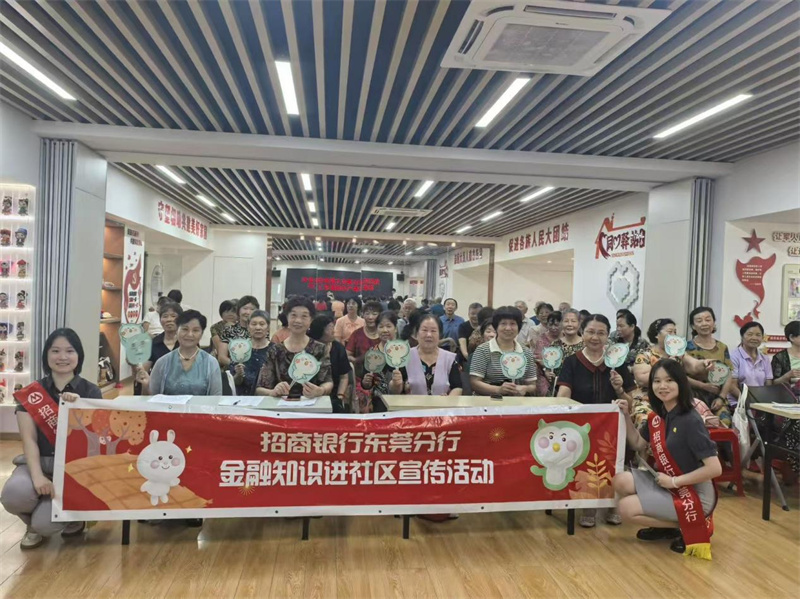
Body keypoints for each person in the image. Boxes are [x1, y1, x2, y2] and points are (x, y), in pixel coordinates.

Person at [0, 328, 99, 549]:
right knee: (13, 496)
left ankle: (69, 518)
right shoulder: (31, 393)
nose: (62, 357)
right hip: (38, 462)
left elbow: (94, 442)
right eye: (55, 351)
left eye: (69, 351)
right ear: (46, 355)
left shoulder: (91, 392)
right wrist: (37, 478)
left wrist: (79, 409)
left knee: (45, 525)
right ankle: (33, 524)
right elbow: (29, 440)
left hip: (73, 469)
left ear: (79, 355)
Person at [613, 359, 721, 558]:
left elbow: (715, 469)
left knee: (626, 508)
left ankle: (691, 524)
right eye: (657, 381)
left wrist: (674, 481)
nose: (662, 386)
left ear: (681, 383)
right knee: (620, 480)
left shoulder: (691, 420)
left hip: (694, 493)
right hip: (668, 484)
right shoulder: (659, 414)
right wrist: (626, 415)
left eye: (669, 380)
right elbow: (638, 443)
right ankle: (665, 528)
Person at [557, 314, 635, 528]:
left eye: (601, 333)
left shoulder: (617, 361)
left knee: (617, 462)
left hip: (614, 427)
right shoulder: (572, 362)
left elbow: (631, 401)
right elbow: (564, 393)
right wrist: (560, 406)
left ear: (607, 336)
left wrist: (619, 389)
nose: (595, 337)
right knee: (586, 463)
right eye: (591, 332)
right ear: (582, 333)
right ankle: (588, 505)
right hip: (582, 427)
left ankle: (614, 505)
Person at [256, 297, 333, 399]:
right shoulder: (275, 350)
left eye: (304, 316)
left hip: (311, 404)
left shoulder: (320, 349)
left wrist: (321, 390)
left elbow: (328, 381)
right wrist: (272, 392)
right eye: (293, 315)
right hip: (281, 405)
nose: (298, 320)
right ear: (287, 317)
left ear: (311, 320)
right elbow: (259, 388)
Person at [137, 310, 222, 396]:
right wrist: (145, 385)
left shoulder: (211, 363)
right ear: (177, 331)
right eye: (185, 329)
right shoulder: (163, 362)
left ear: (201, 334)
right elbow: (151, 398)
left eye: (195, 330)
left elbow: (216, 398)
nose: (190, 334)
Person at [470, 306, 537, 397]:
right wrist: (498, 390)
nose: (508, 328)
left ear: (519, 327)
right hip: (488, 401)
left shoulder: (526, 352)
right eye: (503, 324)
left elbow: (532, 385)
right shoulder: (483, 350)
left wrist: (525, 388)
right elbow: (474, 382)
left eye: (512, 324)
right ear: (496, 327)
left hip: (516, 401)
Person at [685, 307, 735, 426]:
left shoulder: (722, 347)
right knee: (698, 424)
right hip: (693, 397)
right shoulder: (685, 347)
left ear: (713, 322)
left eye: (708, 320)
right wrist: (703, 386)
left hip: (717, 397)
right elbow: (679, 375)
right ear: (693, 326)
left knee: (724, 422)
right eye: (699, 321)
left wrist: (721, 398)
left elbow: (728, 374)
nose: (704, 324)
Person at [407, 314, 462, 396]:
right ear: (416, 334)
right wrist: (397, 384)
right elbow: (396, 390)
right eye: (424, 330)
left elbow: (457, 387)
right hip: (411, 404)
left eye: (433, 331)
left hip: (441, 404)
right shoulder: (406, 356)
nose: (429, 335)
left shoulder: (449, 358)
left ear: (440, 335)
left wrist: (449, 400)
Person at [771, 320, 800, 475]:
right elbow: (773, 383)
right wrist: (787, 376)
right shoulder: (780, 357)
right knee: (796, 426)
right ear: (792, 337)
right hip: (788, 400)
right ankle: (794, 466)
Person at [361, 311, 409, 402]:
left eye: (388, 326)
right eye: (381, 327)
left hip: (400, 401)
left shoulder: (404, 352)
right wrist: (366, 382)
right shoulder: (372, 352)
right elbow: (366, 385)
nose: (385, 330)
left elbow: (409, 382)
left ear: (395, 328)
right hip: (377, 401)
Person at [309, 315, 351, 412]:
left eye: (333, 327)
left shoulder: (338, 348)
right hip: (309, 393)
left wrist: (340, 396)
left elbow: (344, 377)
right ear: (319, 331)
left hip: (333, 395)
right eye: (329, 328)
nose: (333, 331)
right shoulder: (309, 347)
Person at [729, 322, 773, 407]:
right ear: (742, 336)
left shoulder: (765, 359)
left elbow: (768, 384)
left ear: (762, 338)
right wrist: (748, 401)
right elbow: (731, 386)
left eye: (758, 335)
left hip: (760, 403)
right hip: (738, 403)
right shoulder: (733, 356)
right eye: (750, 334)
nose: (754, 338)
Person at [229, 310, 271, 396]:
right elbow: (234, 382)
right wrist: (239, 374)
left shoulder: (275, 350)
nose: (258, 327)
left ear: (268, 327)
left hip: (268, 396)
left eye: (262, 324)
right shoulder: (240, 348)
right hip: (243, 397)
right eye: (254, 324)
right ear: (248, 327)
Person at [218, 296, 260, 368]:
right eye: (245, 308)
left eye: (252, 309)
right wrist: (237, 366)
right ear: (238, 311)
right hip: (233, 370)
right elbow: (221, 357)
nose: (248, 312)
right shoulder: (229, 330)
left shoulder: (260, 331)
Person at [346, 300, 382, 375]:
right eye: (367, 313)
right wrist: (355, 360)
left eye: (374, 314)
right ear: (362, 315)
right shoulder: (357, 334)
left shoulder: (384, 334)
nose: (370, 317)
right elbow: (347, 355)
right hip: (360, 376)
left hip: (382, 376)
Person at [532, 311, 562, 397]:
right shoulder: (542, 339)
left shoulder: (565, 338)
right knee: (545, 391)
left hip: (562, 372)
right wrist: (546, 370)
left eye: (556, 325)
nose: (553, 328)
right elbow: (538, 358)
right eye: (550, 324)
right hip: (543, 371)